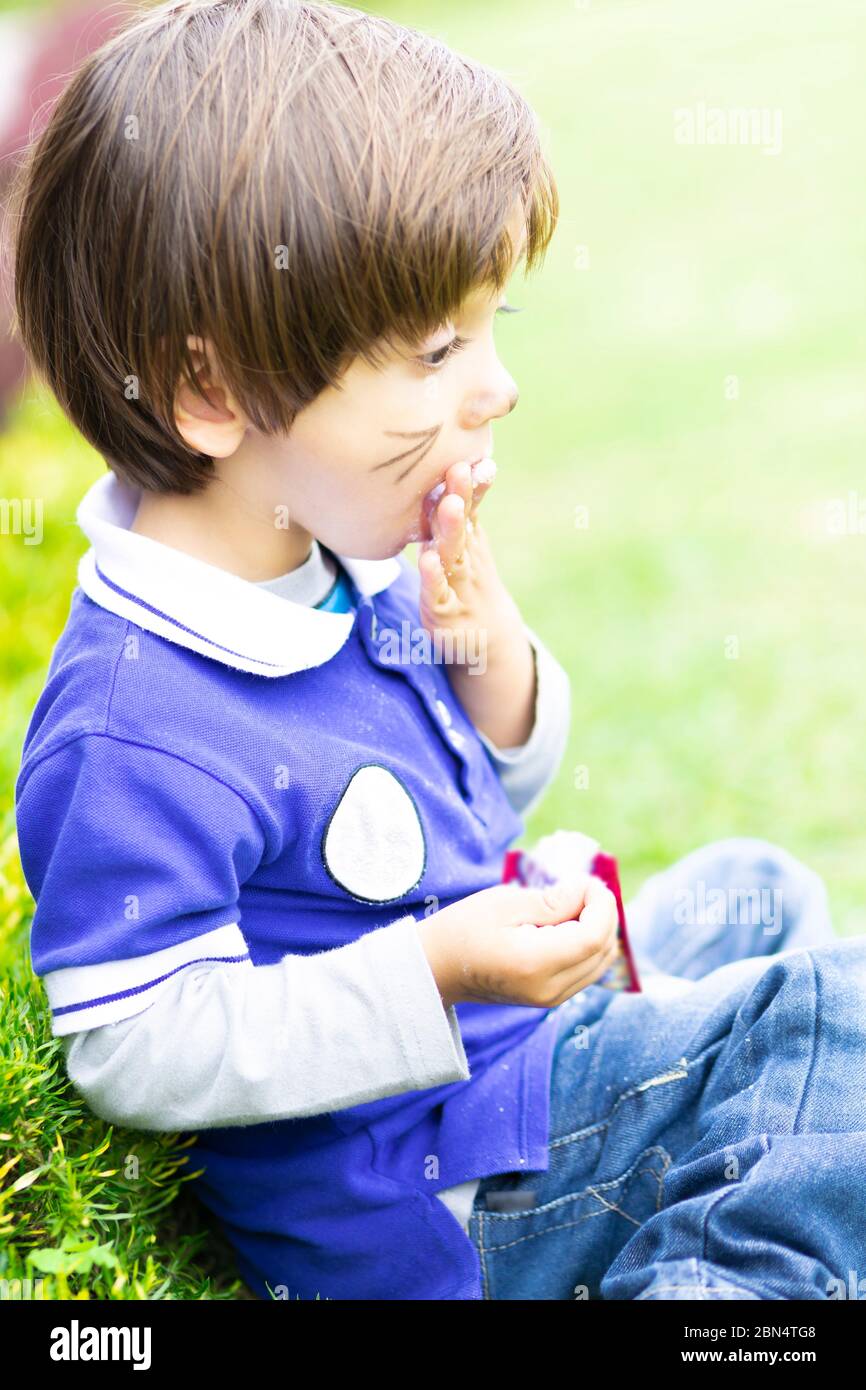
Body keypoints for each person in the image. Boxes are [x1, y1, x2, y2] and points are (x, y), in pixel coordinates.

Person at [11, 0, 866, 1301]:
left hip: (504, 1059)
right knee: (820, 1019)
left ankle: (733, 1180)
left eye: (486, 330)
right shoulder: (136, 725)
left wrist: (485, 656)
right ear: (211, 391)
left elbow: (461, 802)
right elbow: (138, 1043)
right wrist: (435, 966)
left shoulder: (331, 554)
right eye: (432, 348)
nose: (496, 386)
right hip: (449, 1179)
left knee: (759, 890)